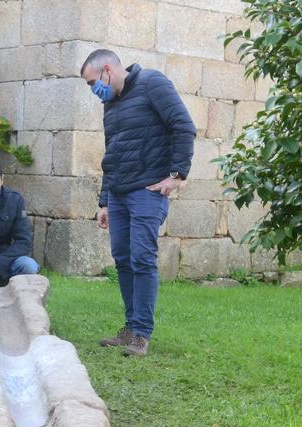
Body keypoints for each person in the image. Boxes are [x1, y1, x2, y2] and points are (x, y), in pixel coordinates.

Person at [80, 49, 196, 356]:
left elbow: (183, 126)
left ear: (107, 69)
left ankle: (141, 335)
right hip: (118, 193)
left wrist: (176, 175)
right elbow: (112, 154)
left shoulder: (152, 83)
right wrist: (104, 201)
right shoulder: (111, 103)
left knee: (142, 257)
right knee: (122, 258)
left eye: (93, 83)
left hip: (148, 190)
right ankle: (130, 329)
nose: (94, 90)